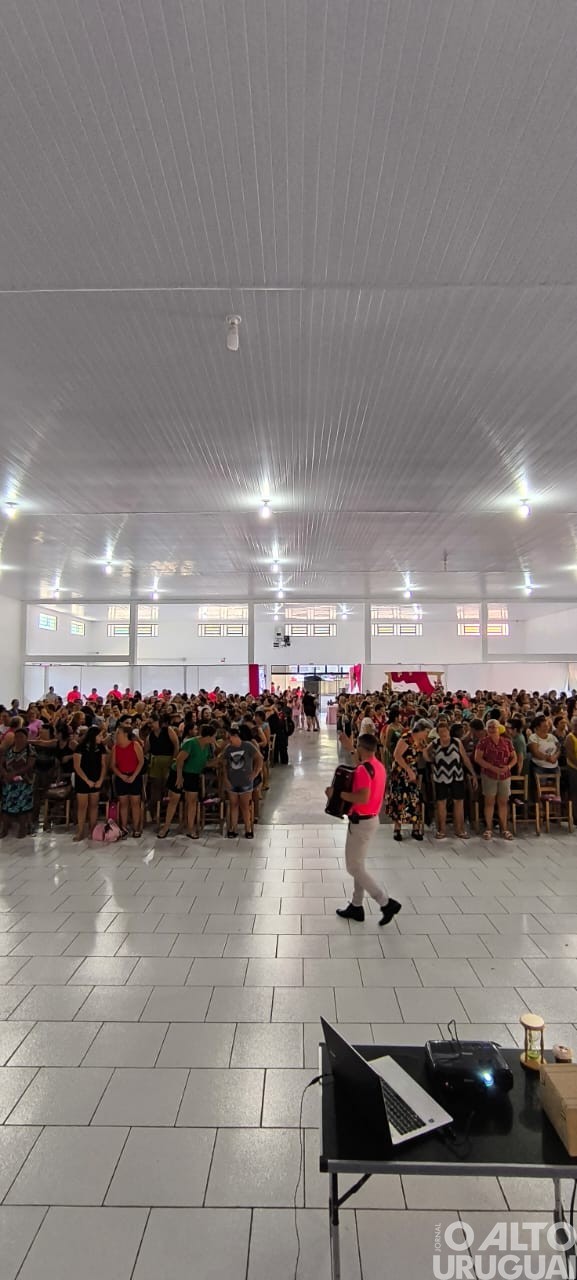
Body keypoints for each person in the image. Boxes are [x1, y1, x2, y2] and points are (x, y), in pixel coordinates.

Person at [330, 732, 400, 926]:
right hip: (372, 819)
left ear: (362, 748)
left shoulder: (362, 770)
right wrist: (350, 748)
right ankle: (356, 905)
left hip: (360, 822)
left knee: (353, 867)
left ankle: (385, 902)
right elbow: (362, 766)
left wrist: (337, 794)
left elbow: (362, 797)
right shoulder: (377, 766)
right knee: (358, 864)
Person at [159, 724, 217, 839]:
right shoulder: (191, 743)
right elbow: (180, 760)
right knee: (174, 799)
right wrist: (179, 777)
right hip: (179, 772)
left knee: (192, 801)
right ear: (209, 736)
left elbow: (205, 763)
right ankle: (165, 827)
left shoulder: (209, 747)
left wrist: (219, 761)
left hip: (193, 774)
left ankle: (190, 828)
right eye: (214, 736)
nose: (215, 739)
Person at [425, 721, 477, 840]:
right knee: (441, 803)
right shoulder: (435, 743)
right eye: (441, 731)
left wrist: (472, 773)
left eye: (445, 730)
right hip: (440, 777)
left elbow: (464, 758)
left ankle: (459, 829)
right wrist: (430, 760)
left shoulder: (456, 742)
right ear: (438, 732)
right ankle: (441, 830)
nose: (443, 733)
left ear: (448, 731)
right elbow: (425, 752)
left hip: (456, 775)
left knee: (458, 802)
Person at [387, 719, 431, 841]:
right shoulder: (406, 737)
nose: (426, 735)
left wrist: (425, 749)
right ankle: (397, 828)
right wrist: (408, 770)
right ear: (420, 730)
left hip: (412, 772)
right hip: (401, 772)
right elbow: (397, 755)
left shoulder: (420, 741)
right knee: (400, 799)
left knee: (414, 799)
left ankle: (415, 828)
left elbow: (426, 757)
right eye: (426, 732)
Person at [475, 718, 517, 842]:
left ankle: (504, 828)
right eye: (490, 727)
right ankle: (489, 828)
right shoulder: (483, 742)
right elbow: (478, 758)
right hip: (489, 774)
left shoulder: (507, 742)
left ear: (499, 728)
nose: (492, 729)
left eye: (494, 727)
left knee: (503, 802)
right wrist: (492, 768)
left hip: (504, 775)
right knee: (489, 801)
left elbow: (514, 758)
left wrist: (508, 767)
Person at [221, 723, 263, 839]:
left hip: (245, 781)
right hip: (232, 781)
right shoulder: (228, 749)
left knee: (245, 806)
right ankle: (233, 828)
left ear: (235, 736)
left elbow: (259, 758)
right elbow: (224, 764)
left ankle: (248, 828)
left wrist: (255, 773)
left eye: (229, 737)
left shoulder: (247, 746)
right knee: (233, 805)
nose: (228, 740)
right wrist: (225, 777)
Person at [72, 725, 107, 841]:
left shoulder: (101, 748)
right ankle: (80, 830)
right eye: (100, 735)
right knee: (82, 806)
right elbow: (77, 766)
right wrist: (87, 780)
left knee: (94, 805)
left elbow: (103, 765)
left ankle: (93, 829)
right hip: (83, 779)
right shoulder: (80, 747)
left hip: (96, 778)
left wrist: (100, 780)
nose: (101, 738)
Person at [110, 724, 145, 836]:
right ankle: (123, 827)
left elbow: (141, 761)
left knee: (135, 802)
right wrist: (121, 775)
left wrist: (134, 776)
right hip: (121, 777)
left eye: (118, 733)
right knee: (123, 802)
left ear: (125, 734)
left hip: (134, 775)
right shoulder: (115, 747)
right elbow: (113, 765)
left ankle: (136, 828)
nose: (117, 735)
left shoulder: (135, 745)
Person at [0, 727, 35, 838]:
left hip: (24, 781)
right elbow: (2, 763)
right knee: (6, 806)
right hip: (9, 782)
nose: (19, 739)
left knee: (22, 806)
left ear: (26, 737)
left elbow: (30, 765)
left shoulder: (30, 749)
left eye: (21, 736)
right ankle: (4, 829)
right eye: (17, 736)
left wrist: (15, 773)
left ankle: (23, 828)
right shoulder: (9, 749)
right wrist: (5, 774)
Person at [146, 713, 179, 819]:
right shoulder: (149, 735)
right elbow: (146, 749)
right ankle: (155, 812)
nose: (150, 725)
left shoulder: (168, 730)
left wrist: (174, 759)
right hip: (155, 761)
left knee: (167, 786)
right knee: (156, 787)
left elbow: (176, 745)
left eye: (152, 723)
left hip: (168, 760)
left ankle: (166, 813)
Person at [528, 713, 561, 778]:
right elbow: (535, 752)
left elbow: (559, 748)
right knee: (542, 785)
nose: (547, 727)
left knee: (557, 785)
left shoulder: (552, 736)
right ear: (538, 727)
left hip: (554, 765)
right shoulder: (533, 737)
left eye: (547, 726)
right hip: (540, 767)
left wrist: (555, 757)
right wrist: (548, 758)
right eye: (544, 726)